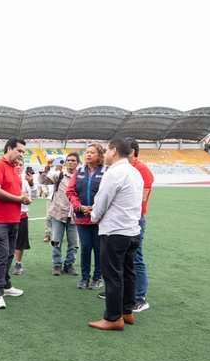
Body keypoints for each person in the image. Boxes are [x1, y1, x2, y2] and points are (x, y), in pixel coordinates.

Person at [88, 138, 144, 331]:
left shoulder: (114, 173)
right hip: (132, 231)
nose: (104, 155)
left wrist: (94, 216)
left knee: (113, 275)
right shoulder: (134, 172)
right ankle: (127, 312)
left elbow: (102, 201)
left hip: (115, 231)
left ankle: (113, 318)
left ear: (113, 151)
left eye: (107, 150)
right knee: (128, 273)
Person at [0, 138, 31, 309]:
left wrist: (23, 198)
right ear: (9, 148)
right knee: (2, 254)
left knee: (10, 253)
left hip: (13, 218)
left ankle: (6, 285)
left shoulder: (14, 169)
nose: (21, 154)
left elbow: (14, 191)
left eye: (23, 152)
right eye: (19, 150)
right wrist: (19, 198)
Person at [66, 143, 107, 290]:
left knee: (98, 248)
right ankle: (84, 278)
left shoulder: (106, 171)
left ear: (100, 156)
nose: (88, 155)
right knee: (85, 247)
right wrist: (79, 206)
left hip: (99, 218)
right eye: (87, 152)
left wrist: (95, 208)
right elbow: (70, 192)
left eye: (92, 152)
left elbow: (108, 194)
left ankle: (97, 278)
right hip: (81, 217)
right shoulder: (79, 171)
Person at [126, 138, 154, 312]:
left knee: (136, 258)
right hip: (125, 218)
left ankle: (140, 297)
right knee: (122, 257)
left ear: (132, 152)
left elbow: (142, 197)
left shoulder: (142, 169)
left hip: (135, 219)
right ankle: (124, 292)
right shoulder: (125, 169)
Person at [40, 153, 80, 276]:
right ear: (65, 162)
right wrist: (45, 169)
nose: (70, 162)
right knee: (56, 241)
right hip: (58, 212)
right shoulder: (59, 175)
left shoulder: (81, 177)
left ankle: (69, 265)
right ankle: (57, 265)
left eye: (73, 160)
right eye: (68, 160)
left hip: (74, 214)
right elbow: (43, 181)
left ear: (78, 163)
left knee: (73, 243)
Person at [12, 165, 38, 275]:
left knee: (20, 242)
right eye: (15, 164)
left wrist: (31, 184)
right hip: (8, 215)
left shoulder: (26, 181)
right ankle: (5, 262)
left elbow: (34, 196)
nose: (18, 167)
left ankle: (18, 263)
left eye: (20, 165)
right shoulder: (7, 179)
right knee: (7, 241)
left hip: (22, 216)